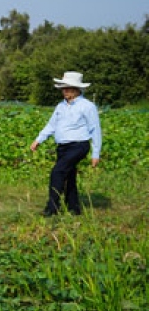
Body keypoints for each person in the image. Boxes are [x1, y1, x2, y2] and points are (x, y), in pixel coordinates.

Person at [30, 71, 102, 216]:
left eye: (68, 88)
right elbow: (51, 125)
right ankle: (74, 208)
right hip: (63, 147)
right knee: (69, 175)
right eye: (64, 88)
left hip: (79, 145)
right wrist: (39, 139)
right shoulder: (60, 107)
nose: (65, 91)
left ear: (77, 90)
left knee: (58, 172)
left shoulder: (87, 106)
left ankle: (52, 207)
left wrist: (95, 153)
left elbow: (95, 130)